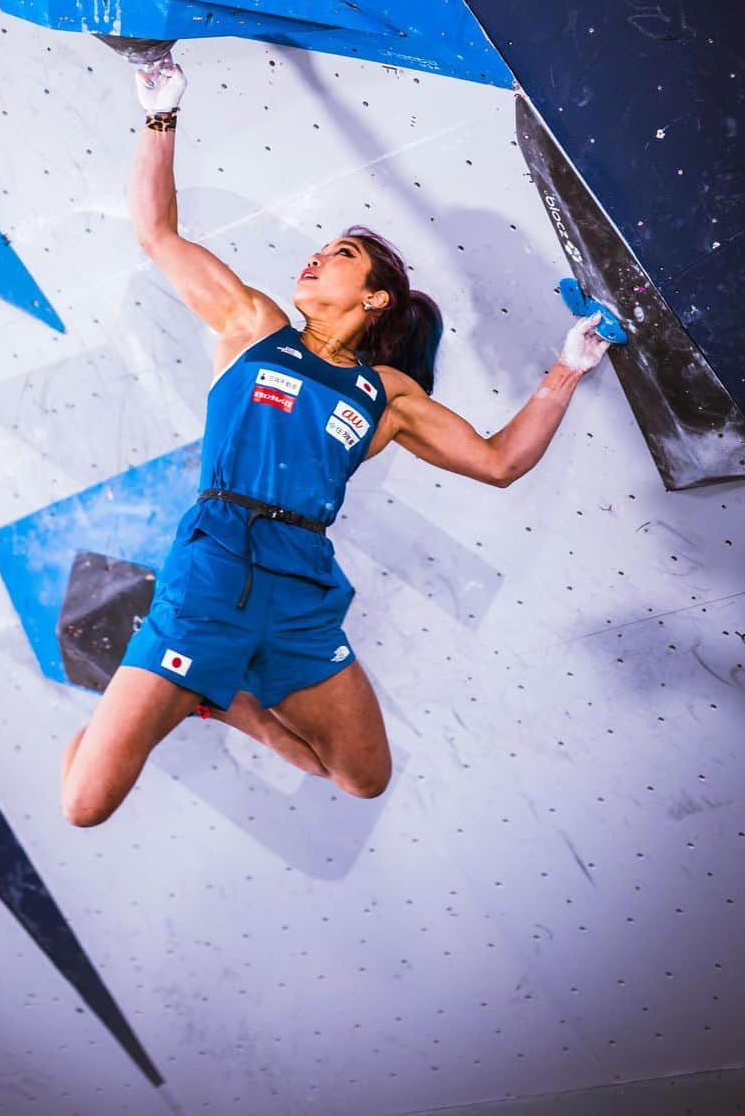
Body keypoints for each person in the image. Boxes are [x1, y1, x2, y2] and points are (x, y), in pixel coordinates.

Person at [60, 54, 611, 827]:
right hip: (211, 574)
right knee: (84, 803)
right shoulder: (253, 326)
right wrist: (161, 110)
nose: (316, 256)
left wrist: (568, 365)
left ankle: (235, 701)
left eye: (341, 255)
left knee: (363, 777)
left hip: (301, 591)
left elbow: (500, 461)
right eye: (322, 248)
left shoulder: (387, 395)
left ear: (374, 297)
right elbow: (156, 232)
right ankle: (182, 684)